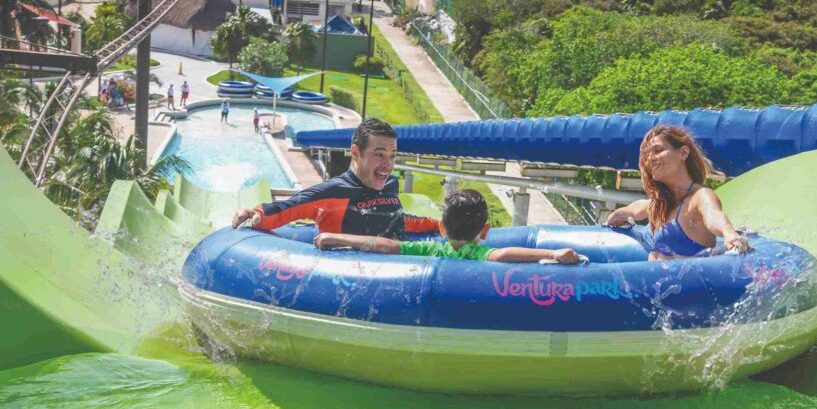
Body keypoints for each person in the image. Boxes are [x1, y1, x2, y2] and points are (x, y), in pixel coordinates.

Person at [232, 117, 440, 237]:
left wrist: (439, 224)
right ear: (356, 153)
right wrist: (254, 214)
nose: (387, 165)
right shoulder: (333, 192)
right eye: (379, 155)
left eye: (392, 156)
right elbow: (284, 209)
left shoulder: (391, 184)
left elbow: (395, 220)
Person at [316, 189, 581, 264]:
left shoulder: (434, 250)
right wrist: (551, 254)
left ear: (441, 227)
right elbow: (503, 254)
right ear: (486, 230)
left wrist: (340, 238)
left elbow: (388, 246)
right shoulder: (476, 254)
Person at [606, 125, 750, 261]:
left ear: (683, 153)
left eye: (657, 150)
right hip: (653, 285)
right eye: (648, 154)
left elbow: (713, 216)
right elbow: (637, 208)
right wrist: (619, 214)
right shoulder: (660, 204)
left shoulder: (700, 196)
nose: (650, 158)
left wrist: (729, 232)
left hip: (690, 285)